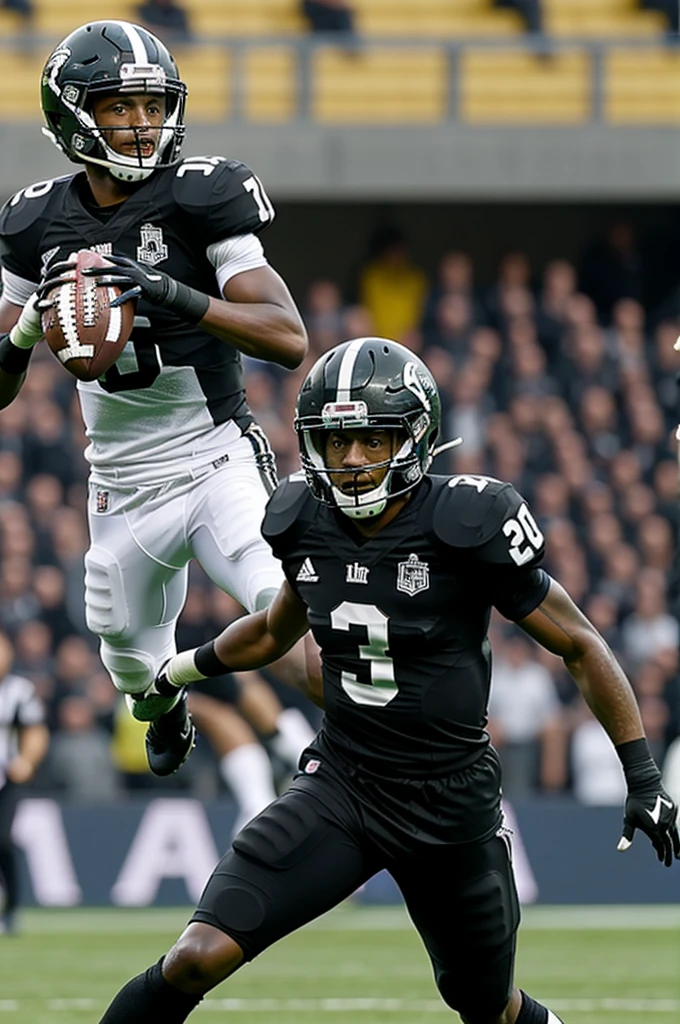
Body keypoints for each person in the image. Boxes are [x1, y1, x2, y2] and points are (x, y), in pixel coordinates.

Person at [97, 337, 679, 1024]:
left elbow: (580, 643)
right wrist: (176, 671)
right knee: (196, 954)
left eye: (372, 440)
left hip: (449, 803)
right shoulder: (301, 517)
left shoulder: (466, 520)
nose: (350, 461)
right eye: (336, 442)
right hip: (342, 784)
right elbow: (272, 630)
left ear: (415, 436)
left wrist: (643, 778)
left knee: (485, 1004)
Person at [0, 21, 309, 779]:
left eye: (152, 104)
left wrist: (173, 293)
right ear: (73, 114)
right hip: (121, 486)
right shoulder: (34, 220)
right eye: (120, 107)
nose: (143, 124)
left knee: (290, 612)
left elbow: (287, 336)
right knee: (131, 667)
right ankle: (161, 697)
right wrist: (24, 332)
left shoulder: (202, 195)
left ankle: (399, 754)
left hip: (215, 458)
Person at [0, 630, 49, 934]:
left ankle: (12, 909)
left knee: (2, 840)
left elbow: (35, 730)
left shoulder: (18, 690)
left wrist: (27, 761)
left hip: (6, 778)